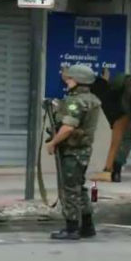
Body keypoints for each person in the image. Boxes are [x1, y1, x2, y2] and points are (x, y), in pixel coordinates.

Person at [46, 64, 100, 240]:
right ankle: (87, 226)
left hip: (72, 151)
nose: (67, 82)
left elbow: (68, 127)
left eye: (69, 79)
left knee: (69, 189)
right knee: (79, 188)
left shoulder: (76, 101)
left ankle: (71, 228)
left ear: (77, 81)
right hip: (82, 150)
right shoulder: (91, 99)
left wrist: (53, 142)